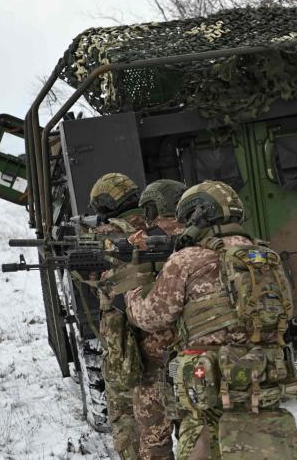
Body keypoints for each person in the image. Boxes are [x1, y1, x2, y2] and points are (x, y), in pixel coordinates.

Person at [124, 180, 297, 460]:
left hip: (209, 394)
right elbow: (287, 310)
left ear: (198, 215)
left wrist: (135, 283)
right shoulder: (265, 257)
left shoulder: (187, 260)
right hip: (260, 385)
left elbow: (150, 316)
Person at [127, 179, 187, 460]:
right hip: (194, 361)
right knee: (197, 435)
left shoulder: (148, 239)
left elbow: (146, 313)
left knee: (155, 443)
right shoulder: (201, 238)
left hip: (155, 364)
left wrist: (128, 290)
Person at [88, 172, 147, 460]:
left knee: (126, 418)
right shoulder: (159, 225)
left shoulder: (103, 237)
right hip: (165, 339)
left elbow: (87, 276)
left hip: (124, 346)